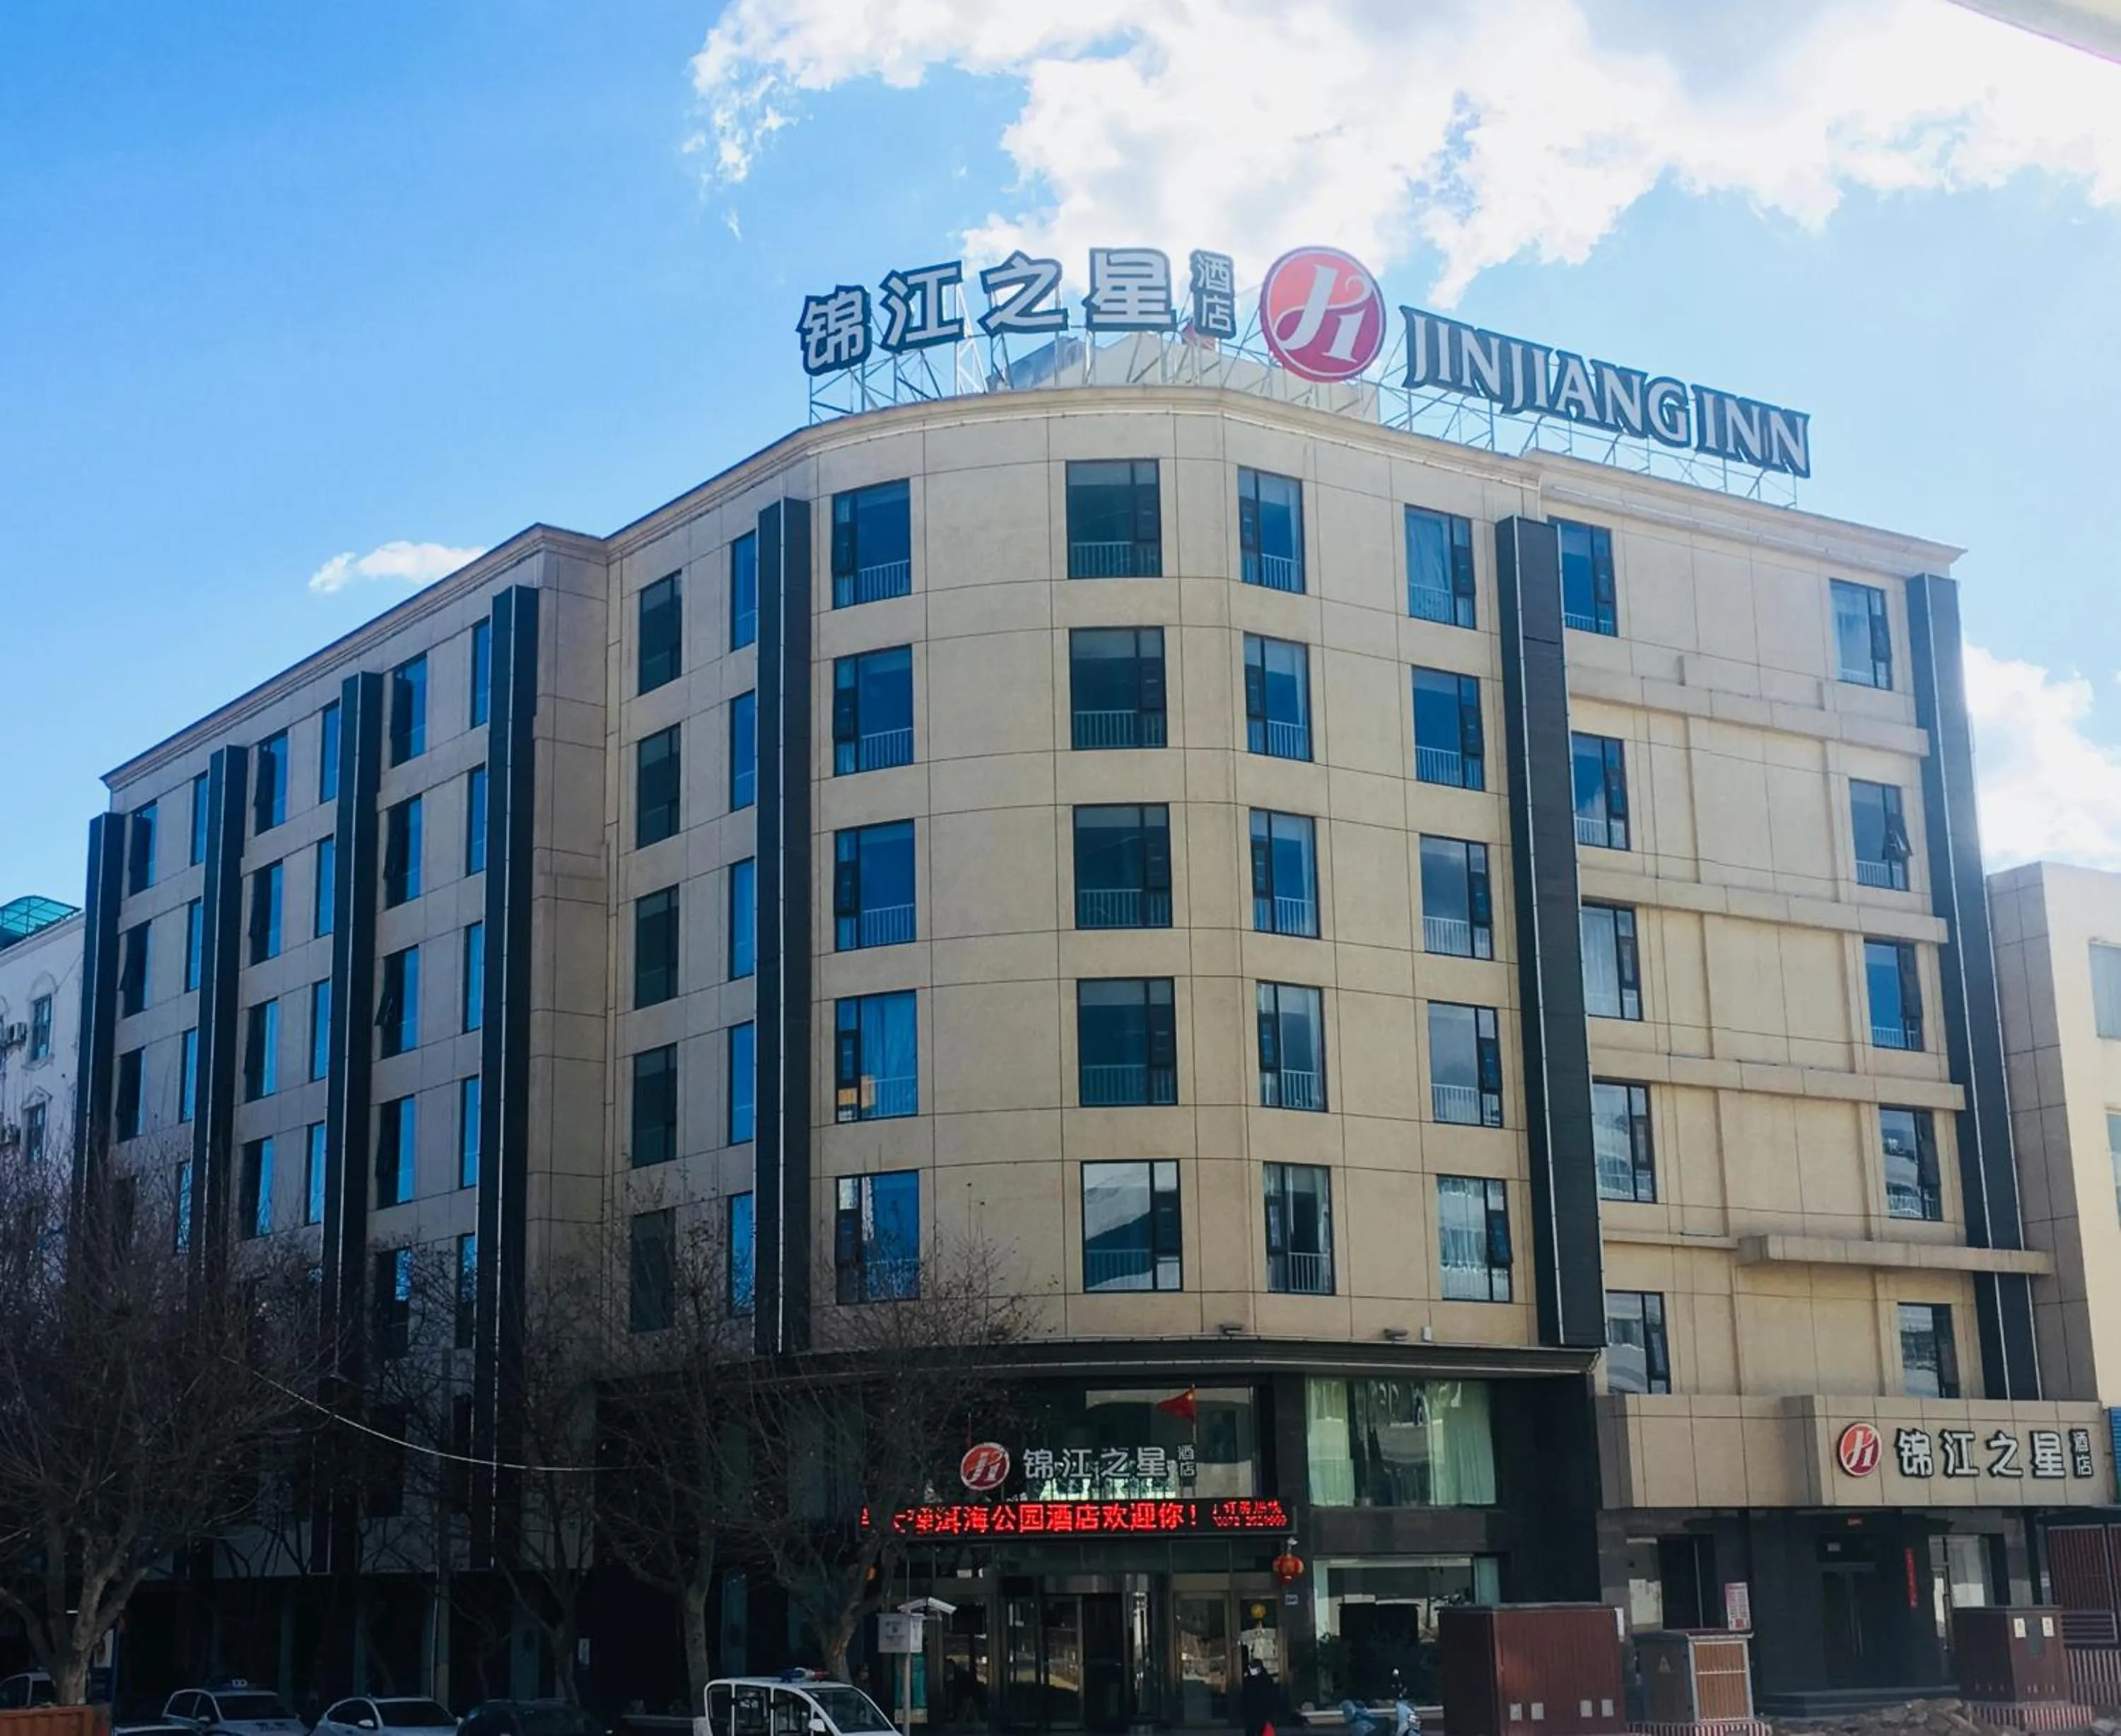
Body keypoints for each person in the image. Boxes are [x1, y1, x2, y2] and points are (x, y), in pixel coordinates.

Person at [1240, 1660, 1280, 1736]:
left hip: (1262, 1713)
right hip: (1251, 1713)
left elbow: (1272, 1697)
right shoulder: (1247, 1680)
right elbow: (1244, 1696)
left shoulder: (1266, 1680)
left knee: (1261, 1731)